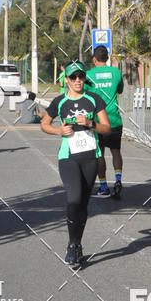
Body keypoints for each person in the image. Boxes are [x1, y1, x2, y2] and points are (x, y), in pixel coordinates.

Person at [40, 60, 111, 265]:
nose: (78, 80)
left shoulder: (94, 99)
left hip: (90, 157)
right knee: (74, 199)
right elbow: (44, 124)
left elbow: (107, 128)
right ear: (67, 81)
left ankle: (77, 243)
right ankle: (72, 246)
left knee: (83, 204)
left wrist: (91, 124)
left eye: (81, 76)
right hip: (68, 157)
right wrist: (58, 130)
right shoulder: (60, 102)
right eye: (74, 77)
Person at [85, 46, 125, 198]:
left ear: (94, 59)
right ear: (107, 58)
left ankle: (103, 187)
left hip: (98, 121)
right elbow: (120, 90)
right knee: (116, 151)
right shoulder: (115, 72)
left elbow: (86, 95)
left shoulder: (89, 75)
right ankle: (118, 180)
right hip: (114, 119)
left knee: (99, 154)